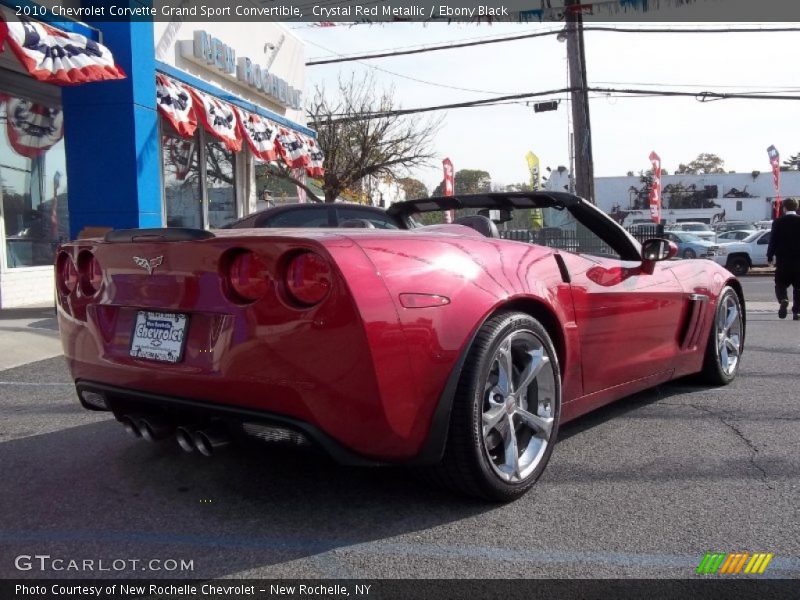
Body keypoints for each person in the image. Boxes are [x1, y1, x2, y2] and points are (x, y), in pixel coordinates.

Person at [766, 197, 800, 320]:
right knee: (798, 288)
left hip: (783, 260)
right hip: (799, 261)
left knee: (780, 284)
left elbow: (773, 240)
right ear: (796, 207)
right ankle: (797, 312)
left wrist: (770, 256)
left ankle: (783, 299)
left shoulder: (778, 222)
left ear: (784, 208)